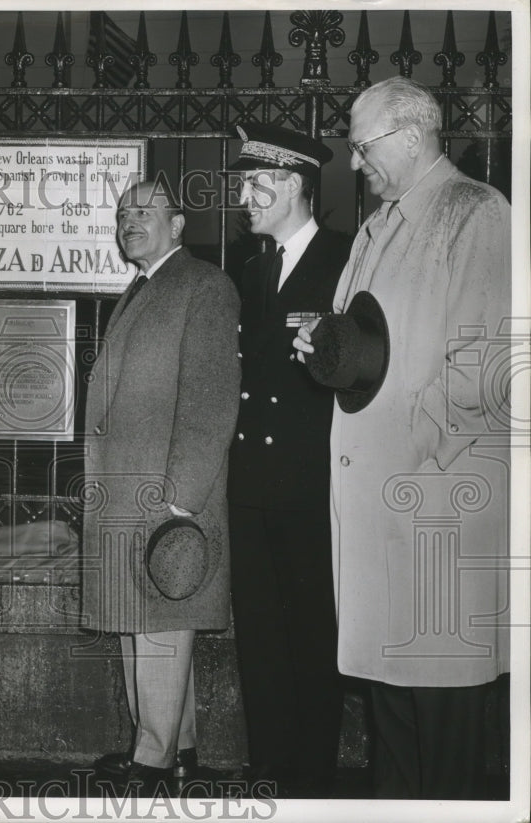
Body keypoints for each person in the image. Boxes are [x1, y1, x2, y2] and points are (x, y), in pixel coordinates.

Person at [294, 76, 511, 800]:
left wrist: (410, 453)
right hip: (380, 511)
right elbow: (371, 342)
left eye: (362, 147)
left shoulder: (477, 212)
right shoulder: (377, 225)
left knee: (442, 718)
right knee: (391, 708)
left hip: (434, 509)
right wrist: (326, 350)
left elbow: (483, 368)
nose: (353, 163)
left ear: (412, 137)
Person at [81, 180, 241, 793]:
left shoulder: (203, 286)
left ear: (178, 225)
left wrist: (179, 501)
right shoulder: (146, 287)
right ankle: (180, 750)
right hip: (130, 496)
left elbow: (210, 405)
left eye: (144, 212)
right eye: (122, 213)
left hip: (167, 499)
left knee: (160, 624)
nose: (129, 221)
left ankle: (149, 758)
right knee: (140, 620)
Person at [226, 125, 351, 798]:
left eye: (257, 185)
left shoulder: (345, 260)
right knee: (261, 635)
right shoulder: (253, 268)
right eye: (244, 184)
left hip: (310, 484)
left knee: (311, 634)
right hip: (251, 486)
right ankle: (268, 764)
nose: (244, 198)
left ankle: (312, 775)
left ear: (297, 185)